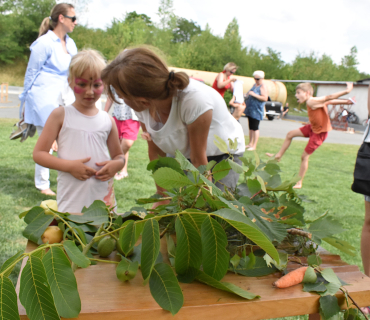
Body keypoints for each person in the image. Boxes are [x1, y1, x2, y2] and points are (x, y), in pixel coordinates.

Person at [101, 47, 246, 204]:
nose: (120, 99)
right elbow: (156, 153)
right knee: (177, 205)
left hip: (222, 155)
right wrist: (163, 196)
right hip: (183, 154)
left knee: (215, 209)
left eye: (121, 95)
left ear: (141, 98)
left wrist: (205, 204)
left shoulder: (193, 101)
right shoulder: (142, 107)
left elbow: (199, 161)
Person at [33, 50, 124, 213]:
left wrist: (116, 164)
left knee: (104, 237)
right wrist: (69, 166)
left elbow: (119, 156)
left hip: (103, 199)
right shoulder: (60, 115)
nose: (89, 91)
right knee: (75, 236)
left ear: (104, 85)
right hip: (72, 199)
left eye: (96, 85)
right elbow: (39, 154)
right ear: (70, 82)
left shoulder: (107, 120)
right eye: (82, 84)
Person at [18, 3, 78, 196]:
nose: (76, 23)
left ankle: (67, 179)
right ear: (61, 18)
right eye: (73, 18)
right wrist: (23, 102)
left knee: (67, 139)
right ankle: (43, 184)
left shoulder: (71, 44)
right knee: (48, 141)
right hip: (43, 97)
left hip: (64, 97)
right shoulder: (44, 43)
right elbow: (31, 74)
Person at [266, 82, 353, 189]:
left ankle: (299, 182)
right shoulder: (313, 101)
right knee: (290, 134)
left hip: (319, 133)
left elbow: (329, 97)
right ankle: (278, 156)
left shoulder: (311, 101)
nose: (296, 95)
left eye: (298, 93)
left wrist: (347, 91)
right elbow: (329, 101)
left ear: (307, 93)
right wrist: (346, 101)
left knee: (304, 157)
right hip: (312, 128)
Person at [104, 88, 140, 180]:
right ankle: (123, 171)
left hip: (133, 116)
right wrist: (104, 113)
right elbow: (110, 96)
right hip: (117, 115)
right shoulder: (113, 78)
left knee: (127, 143)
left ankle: (113, 164)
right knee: (121, 143)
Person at [244, 70, 268, 150]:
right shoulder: (255, 85)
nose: (256, 80)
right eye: (255, 78)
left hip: (257, 110)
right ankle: (250, 143)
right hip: (250, 109)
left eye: (258, 79)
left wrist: (254, 94)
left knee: (255, 127)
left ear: (262, 78)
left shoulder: (263, 86)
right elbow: (249, 93)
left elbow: (265, 98)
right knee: (250, 127)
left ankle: (254, 145)